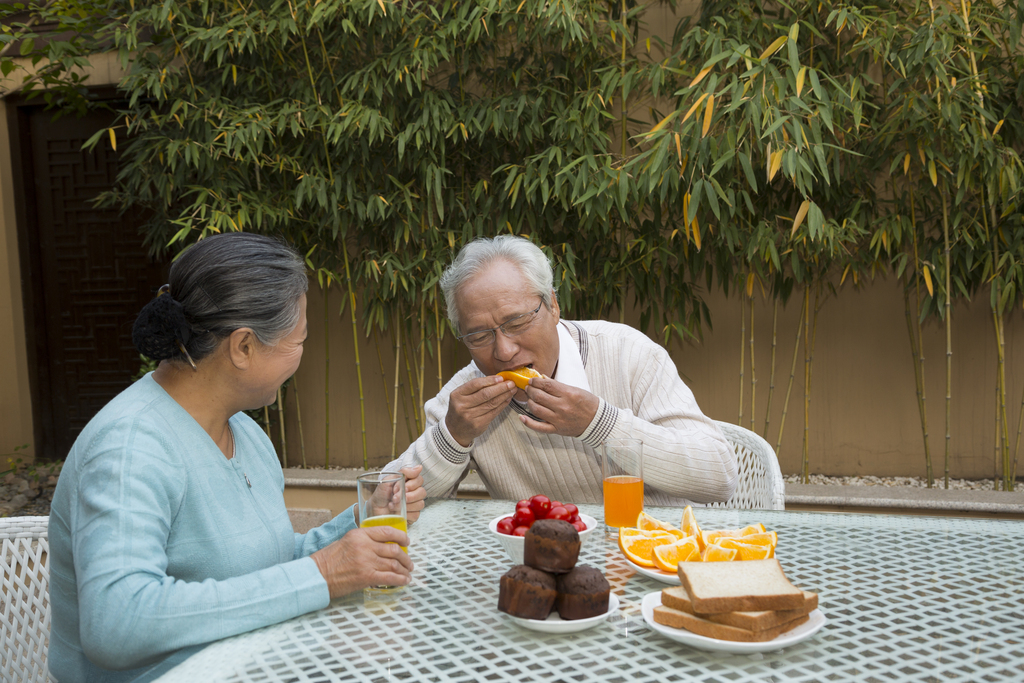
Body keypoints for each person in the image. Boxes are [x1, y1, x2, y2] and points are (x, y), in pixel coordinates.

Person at [48, 233, 424, 682]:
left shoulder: (243, 432)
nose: (302, 355)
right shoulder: (130, 449)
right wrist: (322, 574)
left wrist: (363, 520)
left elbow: (269, 569)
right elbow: (117, 624)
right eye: (298, 339)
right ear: (243, 346)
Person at [384, 235, 738, 506]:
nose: (504, 351)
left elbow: (719, 477)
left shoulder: (627, 352)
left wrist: (600, 425)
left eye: (517, 321)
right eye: (479, 335)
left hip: (650, 557)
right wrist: (452, 438)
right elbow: (386, 499)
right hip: (537, 567)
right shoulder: (465, 398)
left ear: (552, 305)